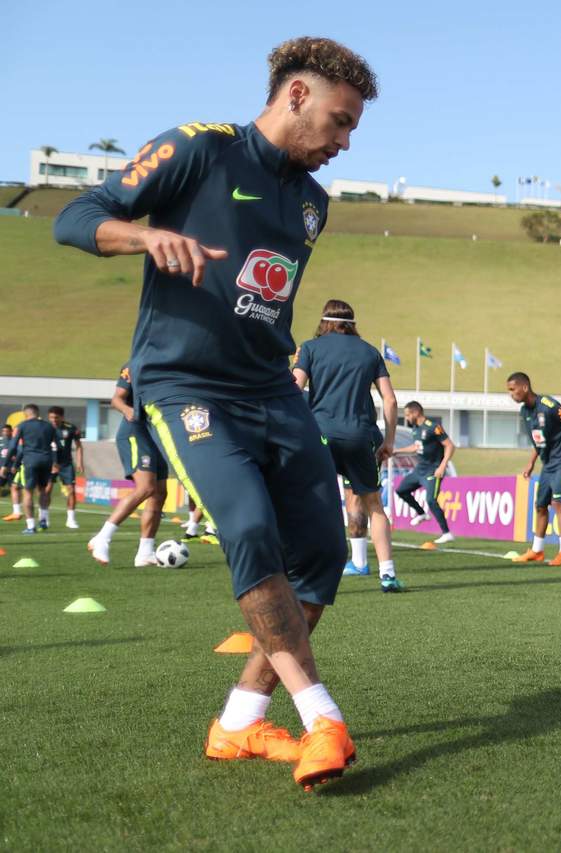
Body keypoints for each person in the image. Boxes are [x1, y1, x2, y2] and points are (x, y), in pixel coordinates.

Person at [53, 36, 378, 790]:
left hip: (273, 390)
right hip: (186, 386)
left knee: (324, 554)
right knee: (249, 528)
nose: (345, 142)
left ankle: (238, 721)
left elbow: (264, 300)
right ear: (296, 95)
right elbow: (76, 215)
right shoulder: (200, 148)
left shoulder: (313, 203)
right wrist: (144, 235)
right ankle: (322, 718)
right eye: (340, 120)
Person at [293, 299, 403, 592]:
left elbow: (293, 389)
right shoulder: (370, 351)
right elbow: (390, 401)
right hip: (360, 436)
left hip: (320, 436)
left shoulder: (310, 348)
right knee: (373, 504)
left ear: (324, 321)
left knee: (312, 502)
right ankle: (387, 575)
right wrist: (389, 440)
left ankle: (308, 572)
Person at [88, 364, 170, 566]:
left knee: (160, 493)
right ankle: (102, 538)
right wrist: (128, 411)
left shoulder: (170, 365)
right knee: (146, 488)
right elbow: (117, 399)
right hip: (134, 432)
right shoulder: (135, 366)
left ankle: (145, 552)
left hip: (154, 435)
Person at [507, 372, 561, 566]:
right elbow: (538, 440)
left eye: (512, 389)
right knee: (540, 506)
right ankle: (537, 550)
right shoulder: (524, 412)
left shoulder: (549, 406)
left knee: (557, 504)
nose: (511, 394)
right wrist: (531, 462)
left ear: (525, 387)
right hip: (548, 463)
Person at [393, 402, 456, 551]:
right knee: (401, 490)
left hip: (433, 470)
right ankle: (421, 513)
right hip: (420, 469)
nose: (406, 418)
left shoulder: (433, 427)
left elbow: (450, 445)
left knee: (431, 500)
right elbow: (416, 447)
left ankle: (447, 533)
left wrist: (442, 466)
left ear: (416, 413)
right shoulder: (415, 429)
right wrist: (396, 451)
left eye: (408, 415)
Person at [13, 404, 57, 535]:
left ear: (25, 413)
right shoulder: (49, 426)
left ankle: (31, 526)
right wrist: (56, 462)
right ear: (38, 413)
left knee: (28, 492)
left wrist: (12, 465)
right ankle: (43, 519)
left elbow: (14, 446)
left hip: (30, 460)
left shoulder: (22, 425)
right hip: (46, 460)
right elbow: (58, 445)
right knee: (43, 490)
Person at [47, 406, 84, 529]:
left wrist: (80, 462)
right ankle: (44, 519)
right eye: (51, 417)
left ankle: (71, 520)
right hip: (49, 464)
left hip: (66, 464)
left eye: (56, 417)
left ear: (62, 417)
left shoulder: (71, 428)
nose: (53, 420)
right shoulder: (45, 428)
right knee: (47, 490)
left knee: (71, 490)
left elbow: (79, 446)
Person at [0, 424, 19, 520]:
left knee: (14, 488)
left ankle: (16, 512)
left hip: (11, 469)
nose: (5, 433)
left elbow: (20, 454)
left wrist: (15, 463)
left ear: (11, 431)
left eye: (7, 431)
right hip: (1, 469)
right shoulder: (0, 441)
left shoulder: (15, 441)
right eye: (4, 431)